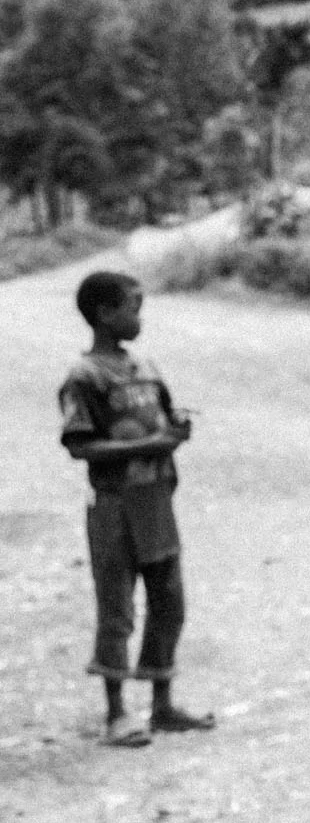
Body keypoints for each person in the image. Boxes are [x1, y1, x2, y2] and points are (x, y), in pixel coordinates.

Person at [59, 270, 215, 748]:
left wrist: (176, 430)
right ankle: (116, 712)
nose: (139, 318)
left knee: (169, 600)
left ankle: (162, 701)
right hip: (113, 507)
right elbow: (81, 447)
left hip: (157, 500)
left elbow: (165, 420)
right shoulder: (84, 376)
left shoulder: (146, 368)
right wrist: (152, 443)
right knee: (117, 606)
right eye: (133, 308)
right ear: (105, 314)